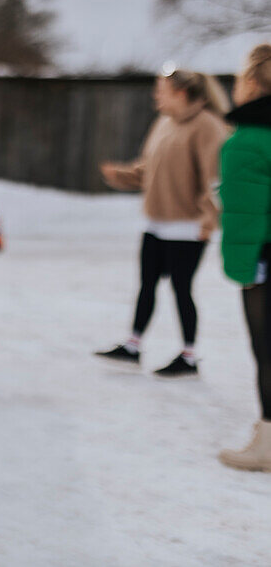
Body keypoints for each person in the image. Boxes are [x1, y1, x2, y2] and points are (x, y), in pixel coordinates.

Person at [95, 68, 231, 376]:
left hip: (188, 226)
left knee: (182, 288)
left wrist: (210, 220)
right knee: (147, 285)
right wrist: (122, 176)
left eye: (161, 90)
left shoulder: (208, 127)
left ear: (181, 93)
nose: (156, 96)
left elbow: (215, 179)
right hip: (155, 222)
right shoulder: (164, 123)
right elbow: (148, 168)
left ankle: (189, 355)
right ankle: (133, 344)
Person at [218, 44, 271, 471]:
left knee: (266, 348)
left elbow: (241, 213)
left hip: (264, 256)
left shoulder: (247, 139)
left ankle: (267, 441)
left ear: (251, 84)